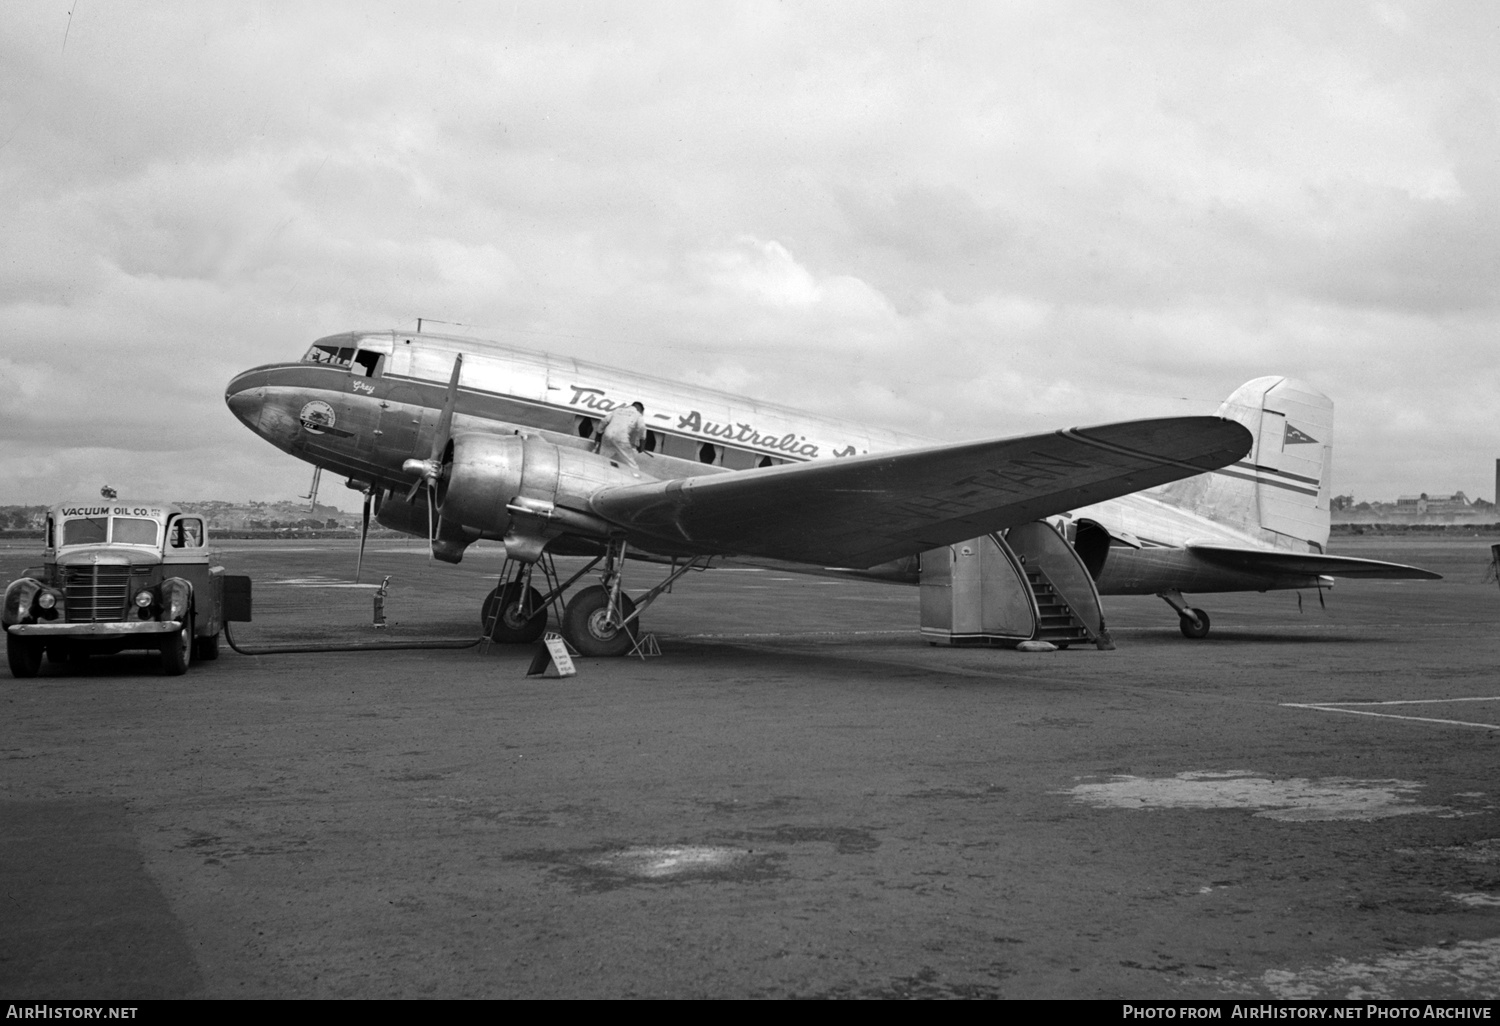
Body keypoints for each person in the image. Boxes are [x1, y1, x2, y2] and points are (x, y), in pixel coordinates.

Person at [594, 401, 647, 469]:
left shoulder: (617, 410)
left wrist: (598, 436)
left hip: (607, 435)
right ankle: (636, 477)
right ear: (640, 410)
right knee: (632, 464)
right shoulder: (637, 414)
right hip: (621, 438)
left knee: (602, 459)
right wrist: (642, 444)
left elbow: (604, 421)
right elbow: (642, 428)